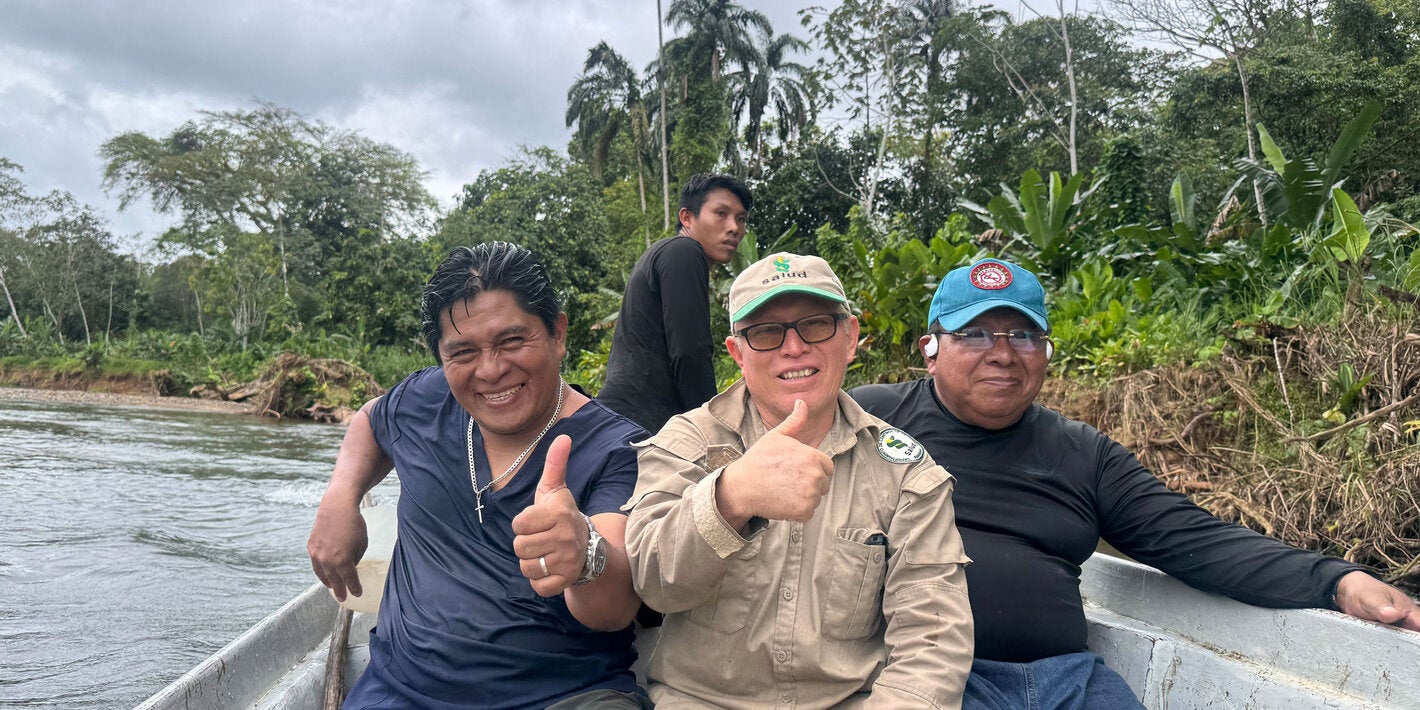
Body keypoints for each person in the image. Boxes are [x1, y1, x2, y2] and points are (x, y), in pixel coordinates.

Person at [850, 257, 1420, 710]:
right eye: (975, 334)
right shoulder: (868, 420)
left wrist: (1338, 580)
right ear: (931, 350)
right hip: (928, 675)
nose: (1002, 354)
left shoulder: (1083, 453)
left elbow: (1194, 539)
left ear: (1045, 352)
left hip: (1067, 680)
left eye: (1023, 336)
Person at [306, 242, 651, 709]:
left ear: (557, 333)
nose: (491, 370)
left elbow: (613, 610)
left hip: (563, 695)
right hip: (399, 692)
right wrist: (340, 496)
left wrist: (586, 557)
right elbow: (371, 418)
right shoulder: (427, 400)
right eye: (463, 352)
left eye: (512, 341)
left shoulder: (617, 448)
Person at [625, 252, 974, 709]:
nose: (793, 348)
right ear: (738, 353)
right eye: (766, 332)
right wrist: (729, 497)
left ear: (850, 338)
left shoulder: (904, 470)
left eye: (815, 324)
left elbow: (932, 637)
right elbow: (654, 584)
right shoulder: (687, 442)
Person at [598, 173, 752, 435]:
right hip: (640, 424)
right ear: (687, 217)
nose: (734, 228)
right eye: (721, 213)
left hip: (626, 419)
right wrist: (712, 430)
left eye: (741, 219)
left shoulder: (667, 253)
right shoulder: (684, 251)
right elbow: (690, 352)